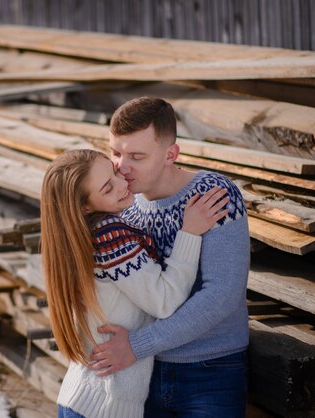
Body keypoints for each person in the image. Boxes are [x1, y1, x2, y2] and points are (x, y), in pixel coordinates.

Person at [88, 97, 250, 417]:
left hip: (210, 369)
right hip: (142, 373)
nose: (122, 166)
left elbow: (222, 295)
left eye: (137, 156)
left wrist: (137, 345)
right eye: (116, 153)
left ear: (170, 154)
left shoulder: (214, 194)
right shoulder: (123, 205)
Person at [40, 149, 229, 418]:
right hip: (105, 406)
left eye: (114, 172)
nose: (122, 183)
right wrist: (189, 232)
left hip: (83, 399)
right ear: (85, 207)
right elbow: (164, 301)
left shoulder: (80, 236)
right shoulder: (110, 236)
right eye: (107, 187)